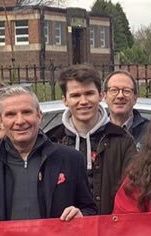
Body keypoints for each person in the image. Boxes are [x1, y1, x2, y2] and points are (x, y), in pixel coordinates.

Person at [0, 86, 98, 225]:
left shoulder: (71, 160)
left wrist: (81, 215)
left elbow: (90, 209)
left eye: (26, 112)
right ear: (0, 120)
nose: (20, 121)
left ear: (39, 116)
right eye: (10, 114)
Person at [45, 65, 135, 214]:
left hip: (110, 226)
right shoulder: (52, 141)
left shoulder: (122, 140)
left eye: (89, 93)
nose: (83, 101)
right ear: (65, 100)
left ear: (101, 95)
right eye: (75, 95)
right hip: (64, 227)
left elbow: (134, 192)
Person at [105, 70, 149, 140]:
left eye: (126, 91)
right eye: (114, 90)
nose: (120, 96)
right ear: (105, 96)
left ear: (135, 98)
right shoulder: (96, 131)